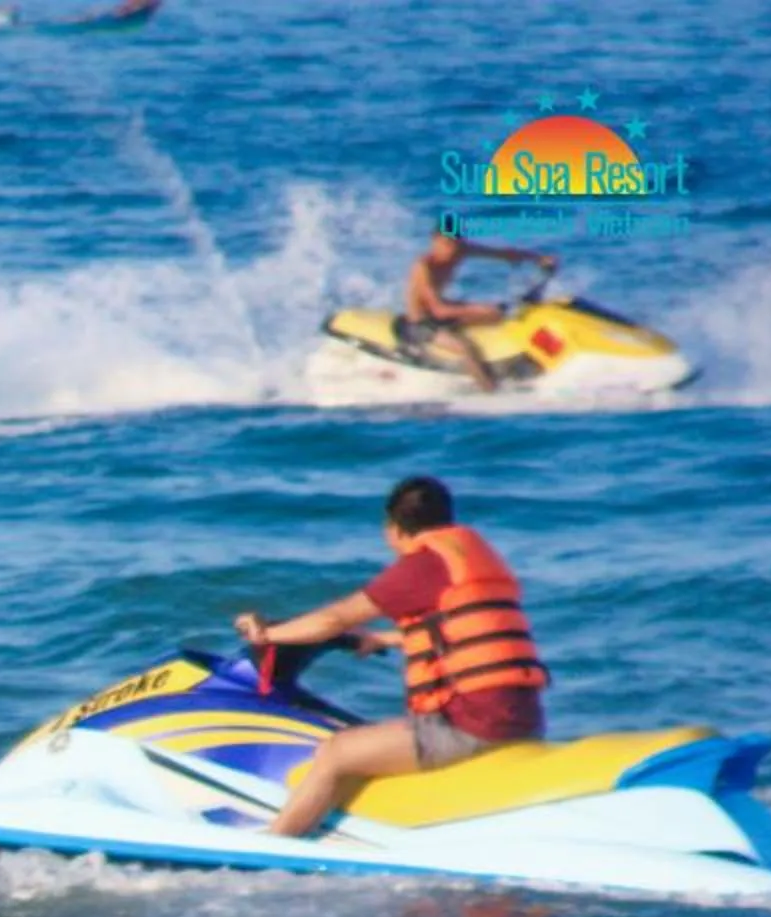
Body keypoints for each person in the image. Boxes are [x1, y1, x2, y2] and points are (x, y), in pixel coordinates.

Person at [235, 475, 549, 840]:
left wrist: (265, 634)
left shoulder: (421, 566)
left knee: (336, 751)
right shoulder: (474, 558)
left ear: (395, 529)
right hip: (522, 716)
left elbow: (331, 620)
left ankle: (277, 844)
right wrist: (383, 639)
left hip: (471, 724)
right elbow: (463, 630)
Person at [402, 232, 557, 391]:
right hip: (421, 324)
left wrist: (538, 258)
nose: (450, 250)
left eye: (455, 244)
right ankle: (488, 390)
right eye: (446, 244)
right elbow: (438, 310)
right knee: (466, 348)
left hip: (442, 312)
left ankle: (514, 364)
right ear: (434, 241)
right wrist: (477, 308)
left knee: (498, 316)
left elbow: (503, 254)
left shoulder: (459, 251)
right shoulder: (424, 266)